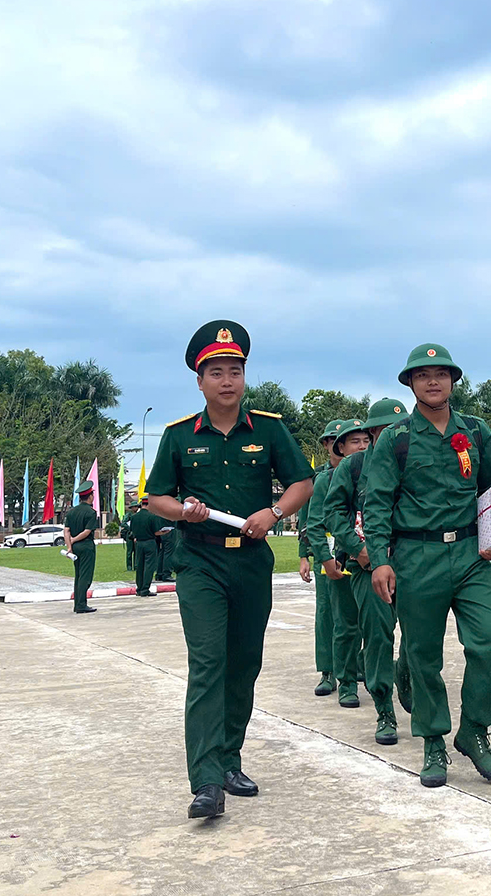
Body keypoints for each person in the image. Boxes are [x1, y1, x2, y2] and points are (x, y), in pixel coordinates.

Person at [144, 321, 315, 820]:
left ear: (244, 377)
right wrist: (183, 512)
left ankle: (230, 759)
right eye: (215, 371)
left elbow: (302, 481)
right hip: (199, 560)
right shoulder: (179, 436)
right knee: (208, 664)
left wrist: (276, 513)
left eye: (234, 370)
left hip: (251, 560)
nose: (226, 380)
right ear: (200, 381)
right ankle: (206, 781)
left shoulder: (268, 428)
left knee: (243, 665)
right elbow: (156, 498)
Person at [364, 343, 491, 789]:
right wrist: (381, 562)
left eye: (441, 374)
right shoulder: (395, 439)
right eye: (423, 374)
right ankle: (432, 740)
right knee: (424, 656)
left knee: (490, 641)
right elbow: (378, 503)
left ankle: (475, 730)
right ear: (410, 383)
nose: (433, 381)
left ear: (453, 381)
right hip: (416, 557)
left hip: (470, 555)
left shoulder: (476, 432)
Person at [325, 396, 410, 746]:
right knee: (377, 634)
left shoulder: (414, 461)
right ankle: (384, 709)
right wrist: (358, 550)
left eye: (399, 427)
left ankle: (407, 677)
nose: (394, 434)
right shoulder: (355, 466)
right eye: (385, 429)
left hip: (412, 562)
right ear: (373, 432)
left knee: (419, 637)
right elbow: (332, 512)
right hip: (367, 567)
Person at [307, 419, 367, 708]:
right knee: (332, 618)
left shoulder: (376, 472)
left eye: (366, 440)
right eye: (354, 441)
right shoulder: (325, 479)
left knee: (367, 622)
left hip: (368, 560)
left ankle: (359, 668)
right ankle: (334, 674)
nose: (362, 446)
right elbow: (314, 523)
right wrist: (320, 557)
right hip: (336, 557)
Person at [299, 420, 343, 696]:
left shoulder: (364, 471)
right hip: (324, 550)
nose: (338, 446)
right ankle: (328, 671)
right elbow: (306, 519)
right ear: (326, 445)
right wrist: (304, 556)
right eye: (332, 441)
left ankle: (354, 665)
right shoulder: (316, 478)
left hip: (354, 550)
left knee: (356, 613)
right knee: (326, 613)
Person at [63, 482, 99, 614]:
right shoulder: (91, 512)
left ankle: (77, 603)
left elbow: (66, 530)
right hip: (86, 546)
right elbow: (87, 531)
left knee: (78, 575)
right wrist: (74, 539)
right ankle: (81, 604)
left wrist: (69, 546)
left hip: (75, 548)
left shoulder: (72, 512)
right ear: (90, 497)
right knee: (85, 576)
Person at [128, 498, 159, 596]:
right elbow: (156, 531)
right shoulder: (152, 516)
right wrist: (165, 532)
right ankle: (145, 589)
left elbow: (132, 531)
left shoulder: (134, 517)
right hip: (150, 543)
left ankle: (139, 588)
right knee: (149, 566)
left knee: (140, 566)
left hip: (139, 543)